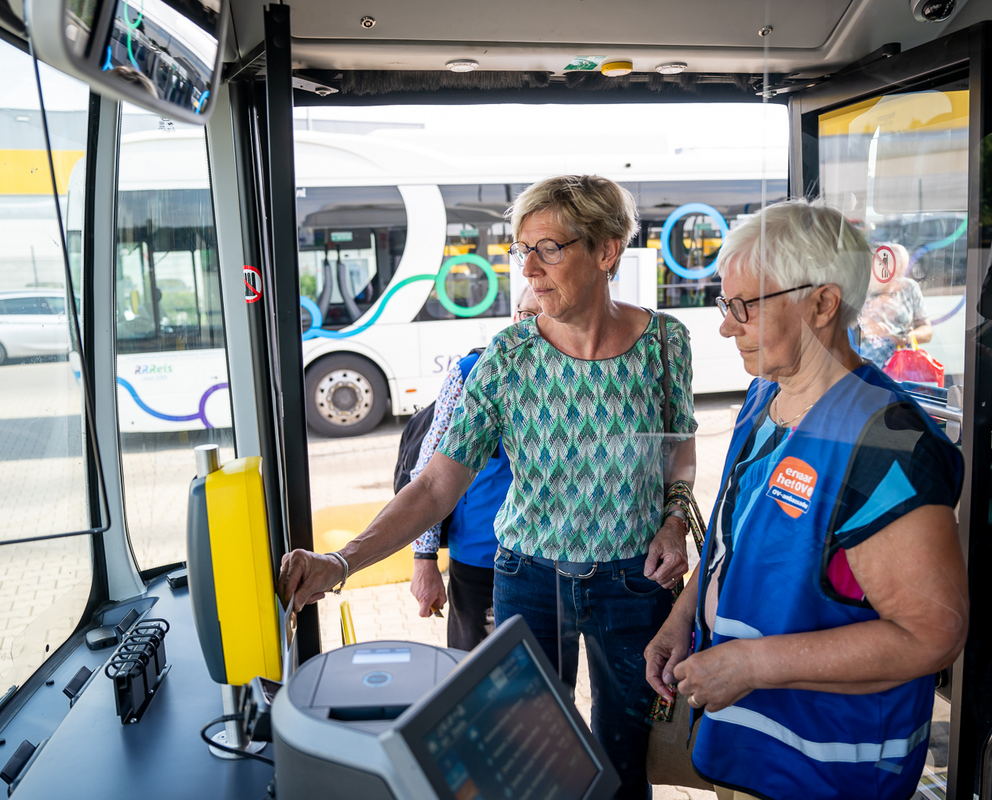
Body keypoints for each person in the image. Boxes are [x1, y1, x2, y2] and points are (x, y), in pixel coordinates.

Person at [282, 174, 698, 800]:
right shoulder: (506, 358)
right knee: (526, 762)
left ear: (607, 250)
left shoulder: (667, 344)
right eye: (521, 248)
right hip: (530, 580)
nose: (527, 267)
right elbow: (434, 488)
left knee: (623, 765)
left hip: (632, 585)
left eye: (548, 248)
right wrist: (340, 561)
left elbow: (680, 453)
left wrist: (673, 520)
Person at [644, 201, 968, 800]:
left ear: (821, 304)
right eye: (724, 304)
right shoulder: (766, 395)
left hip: (825, 775)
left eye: (744, 307)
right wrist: (682, 617)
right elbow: (734, 537)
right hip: (750, 758)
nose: (725, 326)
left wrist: (748, 665)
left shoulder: (888, 444)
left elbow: (932, 635)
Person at [407, 286, 541, 650]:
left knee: (544, 684)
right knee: (474, 675)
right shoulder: (470, 373)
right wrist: (424, 560)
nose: (536, 328)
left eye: (548, 317)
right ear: (514, 318)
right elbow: (428, 475)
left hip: (550, 565)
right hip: (480, 563)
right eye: (528, 315)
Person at [856, 243, 933, 367]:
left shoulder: (909, 287)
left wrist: (908, 337)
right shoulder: (860, 288)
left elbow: (928, 331)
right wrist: (869, 329)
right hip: (867, 366)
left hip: (901, 366)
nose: (895, 277)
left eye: (900, 271)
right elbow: (841, 333)